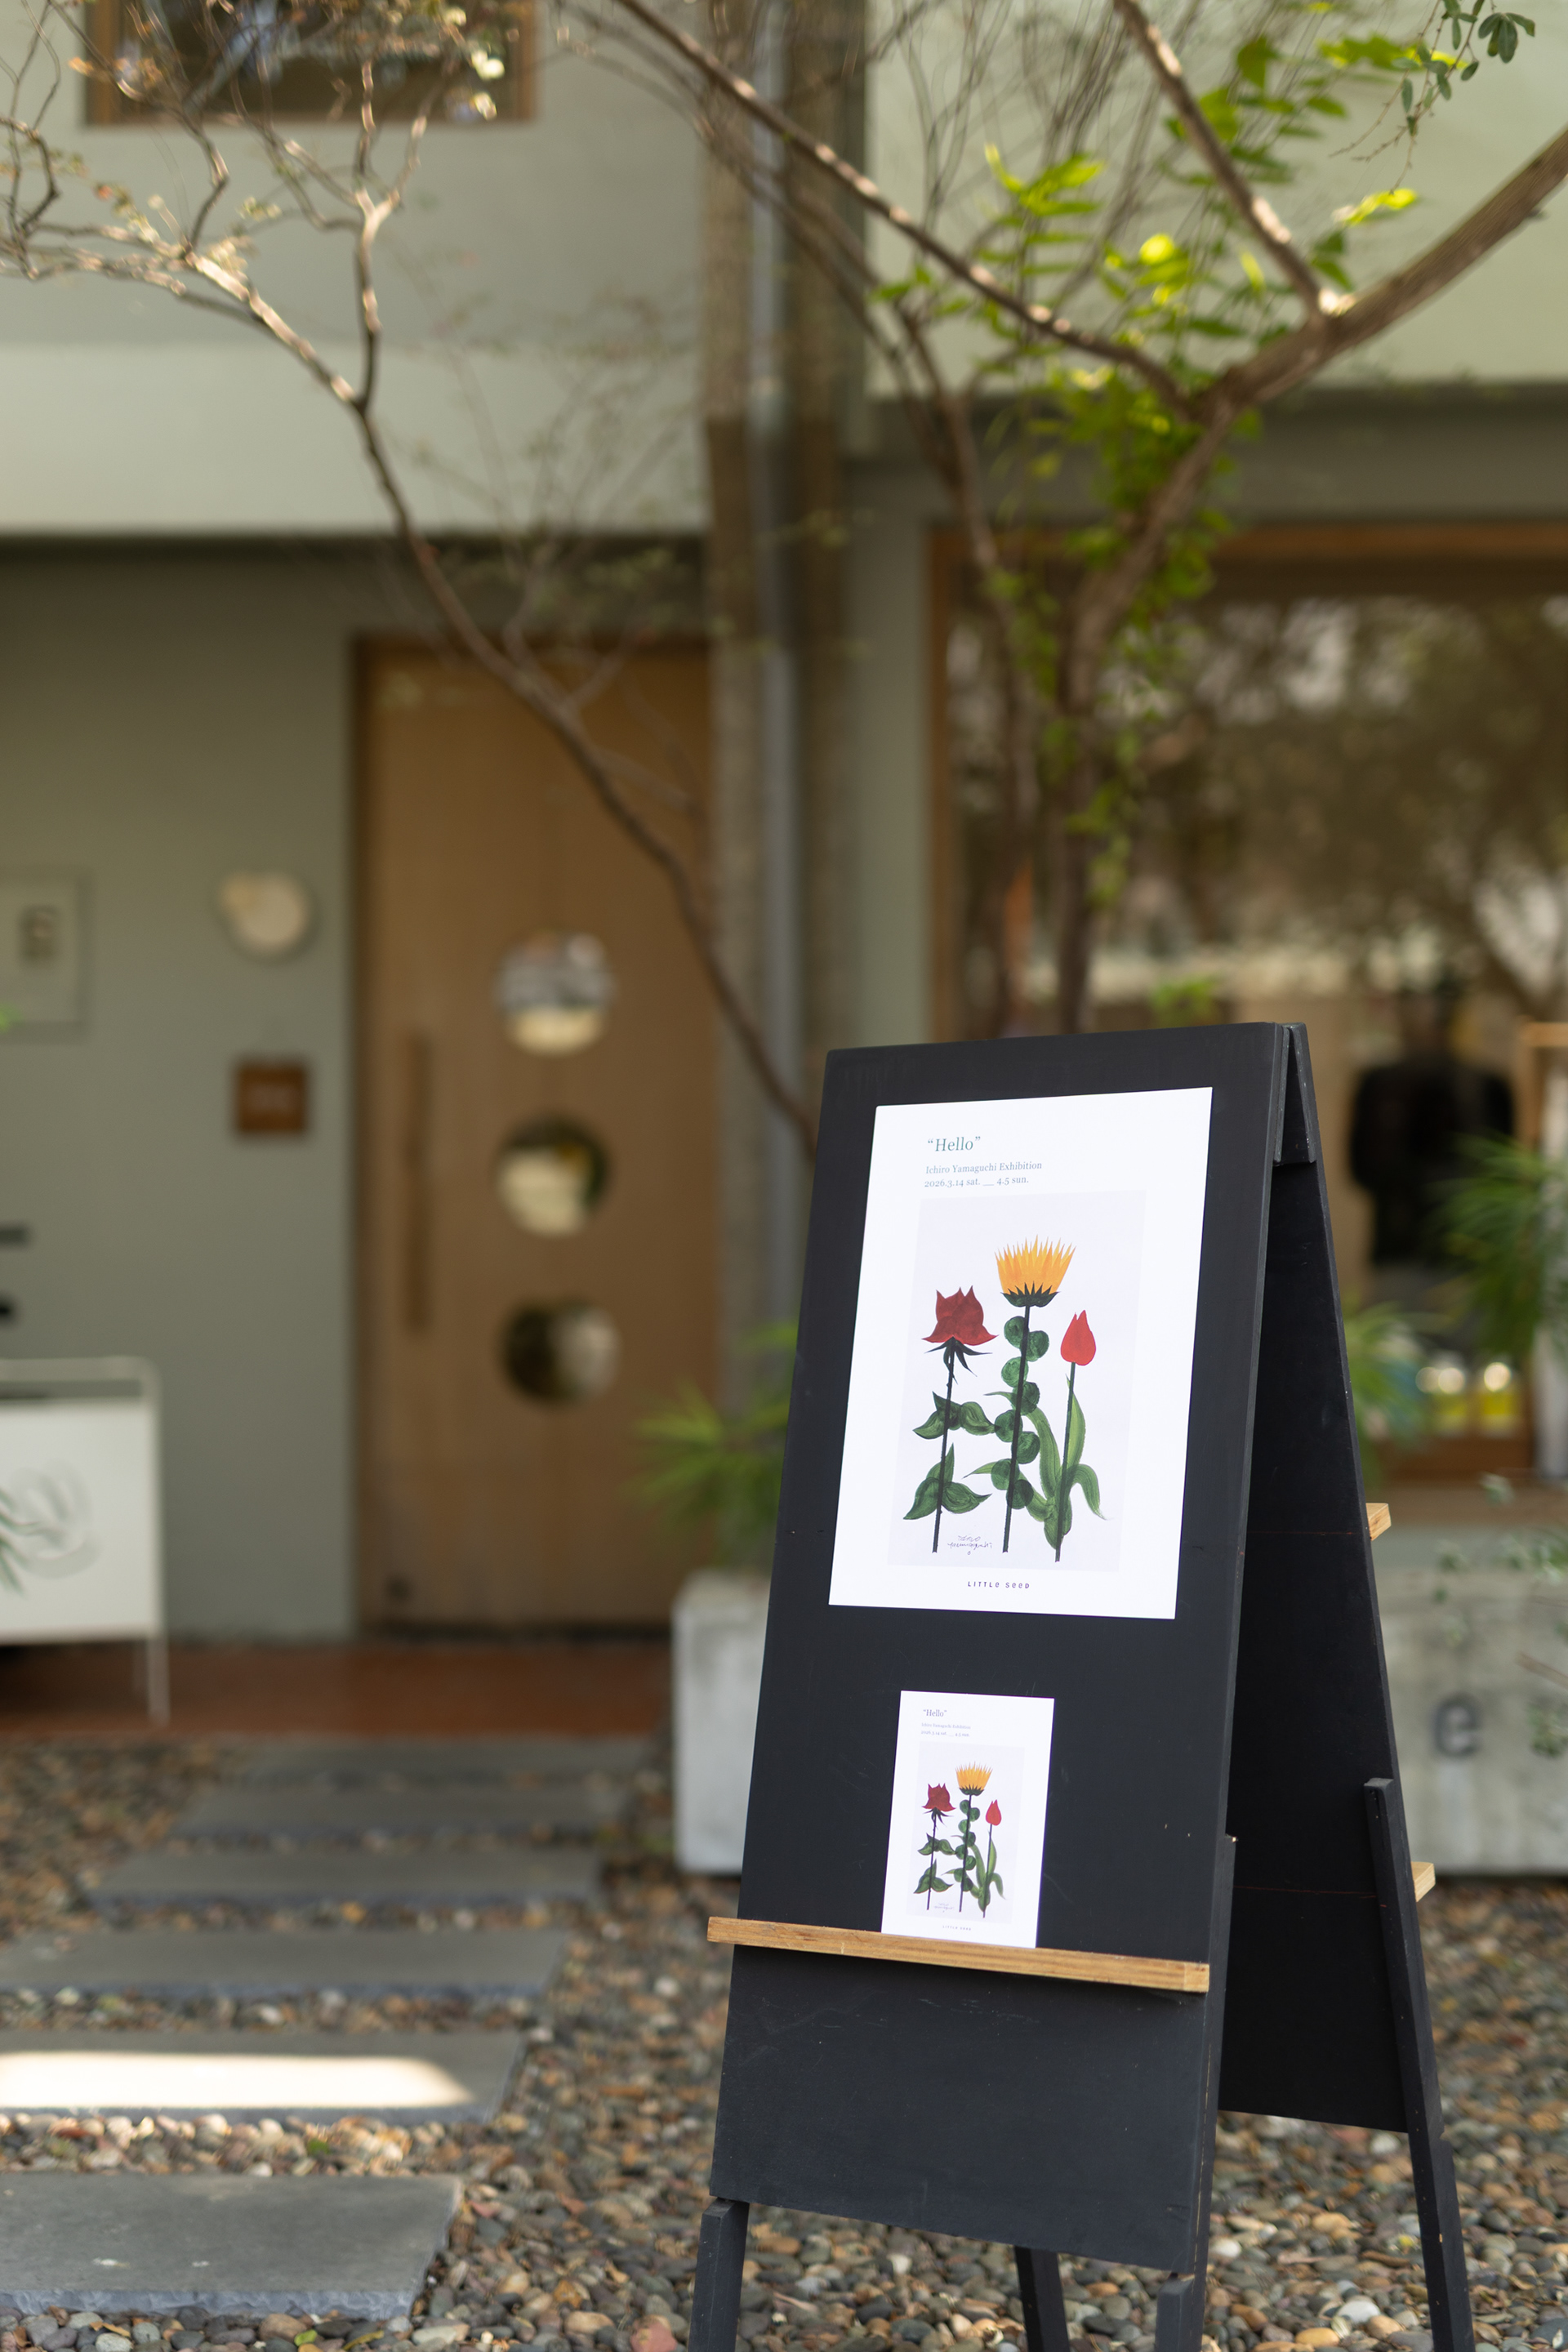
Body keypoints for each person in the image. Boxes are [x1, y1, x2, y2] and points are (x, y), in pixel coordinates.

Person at [1349, 986, 1514, 1298]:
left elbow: (1502, 1176)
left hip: (1464, 1255)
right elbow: (1364, 1168)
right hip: (1403, 1250)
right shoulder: (1379, 1085)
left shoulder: (1487, 1087)